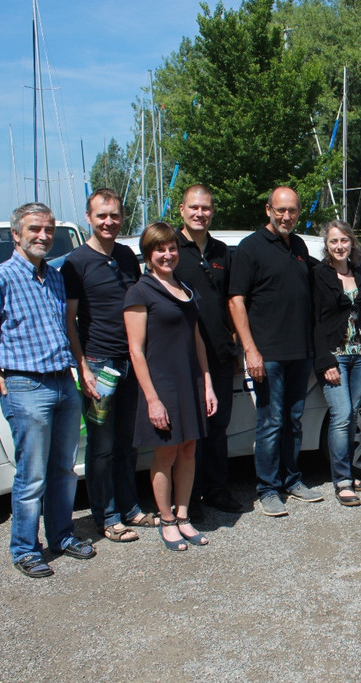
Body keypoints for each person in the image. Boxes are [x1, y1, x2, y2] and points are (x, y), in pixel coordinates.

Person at [0, 202, 95, 578]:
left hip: (63, 383)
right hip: (26, 386)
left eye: (48, 229)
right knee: (31, 475)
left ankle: (62, 535)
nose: (43, 235)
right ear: (16, 234)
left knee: (64, 470)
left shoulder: (55, 277)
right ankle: (26, 549)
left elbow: (67, 327)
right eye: (34, 229)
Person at [62, 188, 156, 544]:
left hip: (131, 361)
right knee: (101, 446)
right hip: (99, 365)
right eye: (102, 215)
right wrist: (82, 368)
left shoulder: (127, 256)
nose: (108, 222)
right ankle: (108, 515)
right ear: (89, 217)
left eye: (114, 215)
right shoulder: (75, 263)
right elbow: (69, 321)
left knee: (126, 443)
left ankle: (130, 507)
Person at [229, 186, 324, 517]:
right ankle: (268, 488)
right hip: (267, 355)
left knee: (294, 420)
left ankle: (291, 479)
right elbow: (236, 300)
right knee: (270, 422)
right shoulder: (249, 249)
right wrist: (250, 350)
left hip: (300, 353)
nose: (286, 216)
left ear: (298, 212)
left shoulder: (297, 246)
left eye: (292, 211)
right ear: (268, 209)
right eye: (280, 210)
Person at [125, 222, 217, 550]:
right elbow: (135, 350)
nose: (167, 254)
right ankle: (166, 519)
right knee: (166, 452)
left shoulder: (184, 286)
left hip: (190, 379)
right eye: (159, 249)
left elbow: (197, 339)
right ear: (148, 254)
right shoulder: (141, 290)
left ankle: (183, 515)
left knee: (189, 449)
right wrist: (152, 399)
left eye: (172, 248)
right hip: (162, 384)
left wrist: (206, 382)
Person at [173, 185, 244, 520]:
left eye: (206, 208)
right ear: (182, 210)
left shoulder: (221, 251)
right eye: (194, 208)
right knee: (192, 431)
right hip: (182, 358)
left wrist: (236, 349)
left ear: (213, 211)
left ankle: (216, 488)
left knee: (218, 427)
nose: (200, 213)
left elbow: (233, 302)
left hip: (219, 354)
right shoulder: (169, 248)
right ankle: (189, 495)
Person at [312, 220, 361, 506]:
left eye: (344, 241)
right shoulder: (318, 275)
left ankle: (350, 472)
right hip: (335, 356)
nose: (339, 246)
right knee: (340, 416)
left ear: (352, 243)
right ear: (326, 246)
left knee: (352, 415)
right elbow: (313, 320)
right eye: (333, 241)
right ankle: (341, 480)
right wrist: (324, 359)